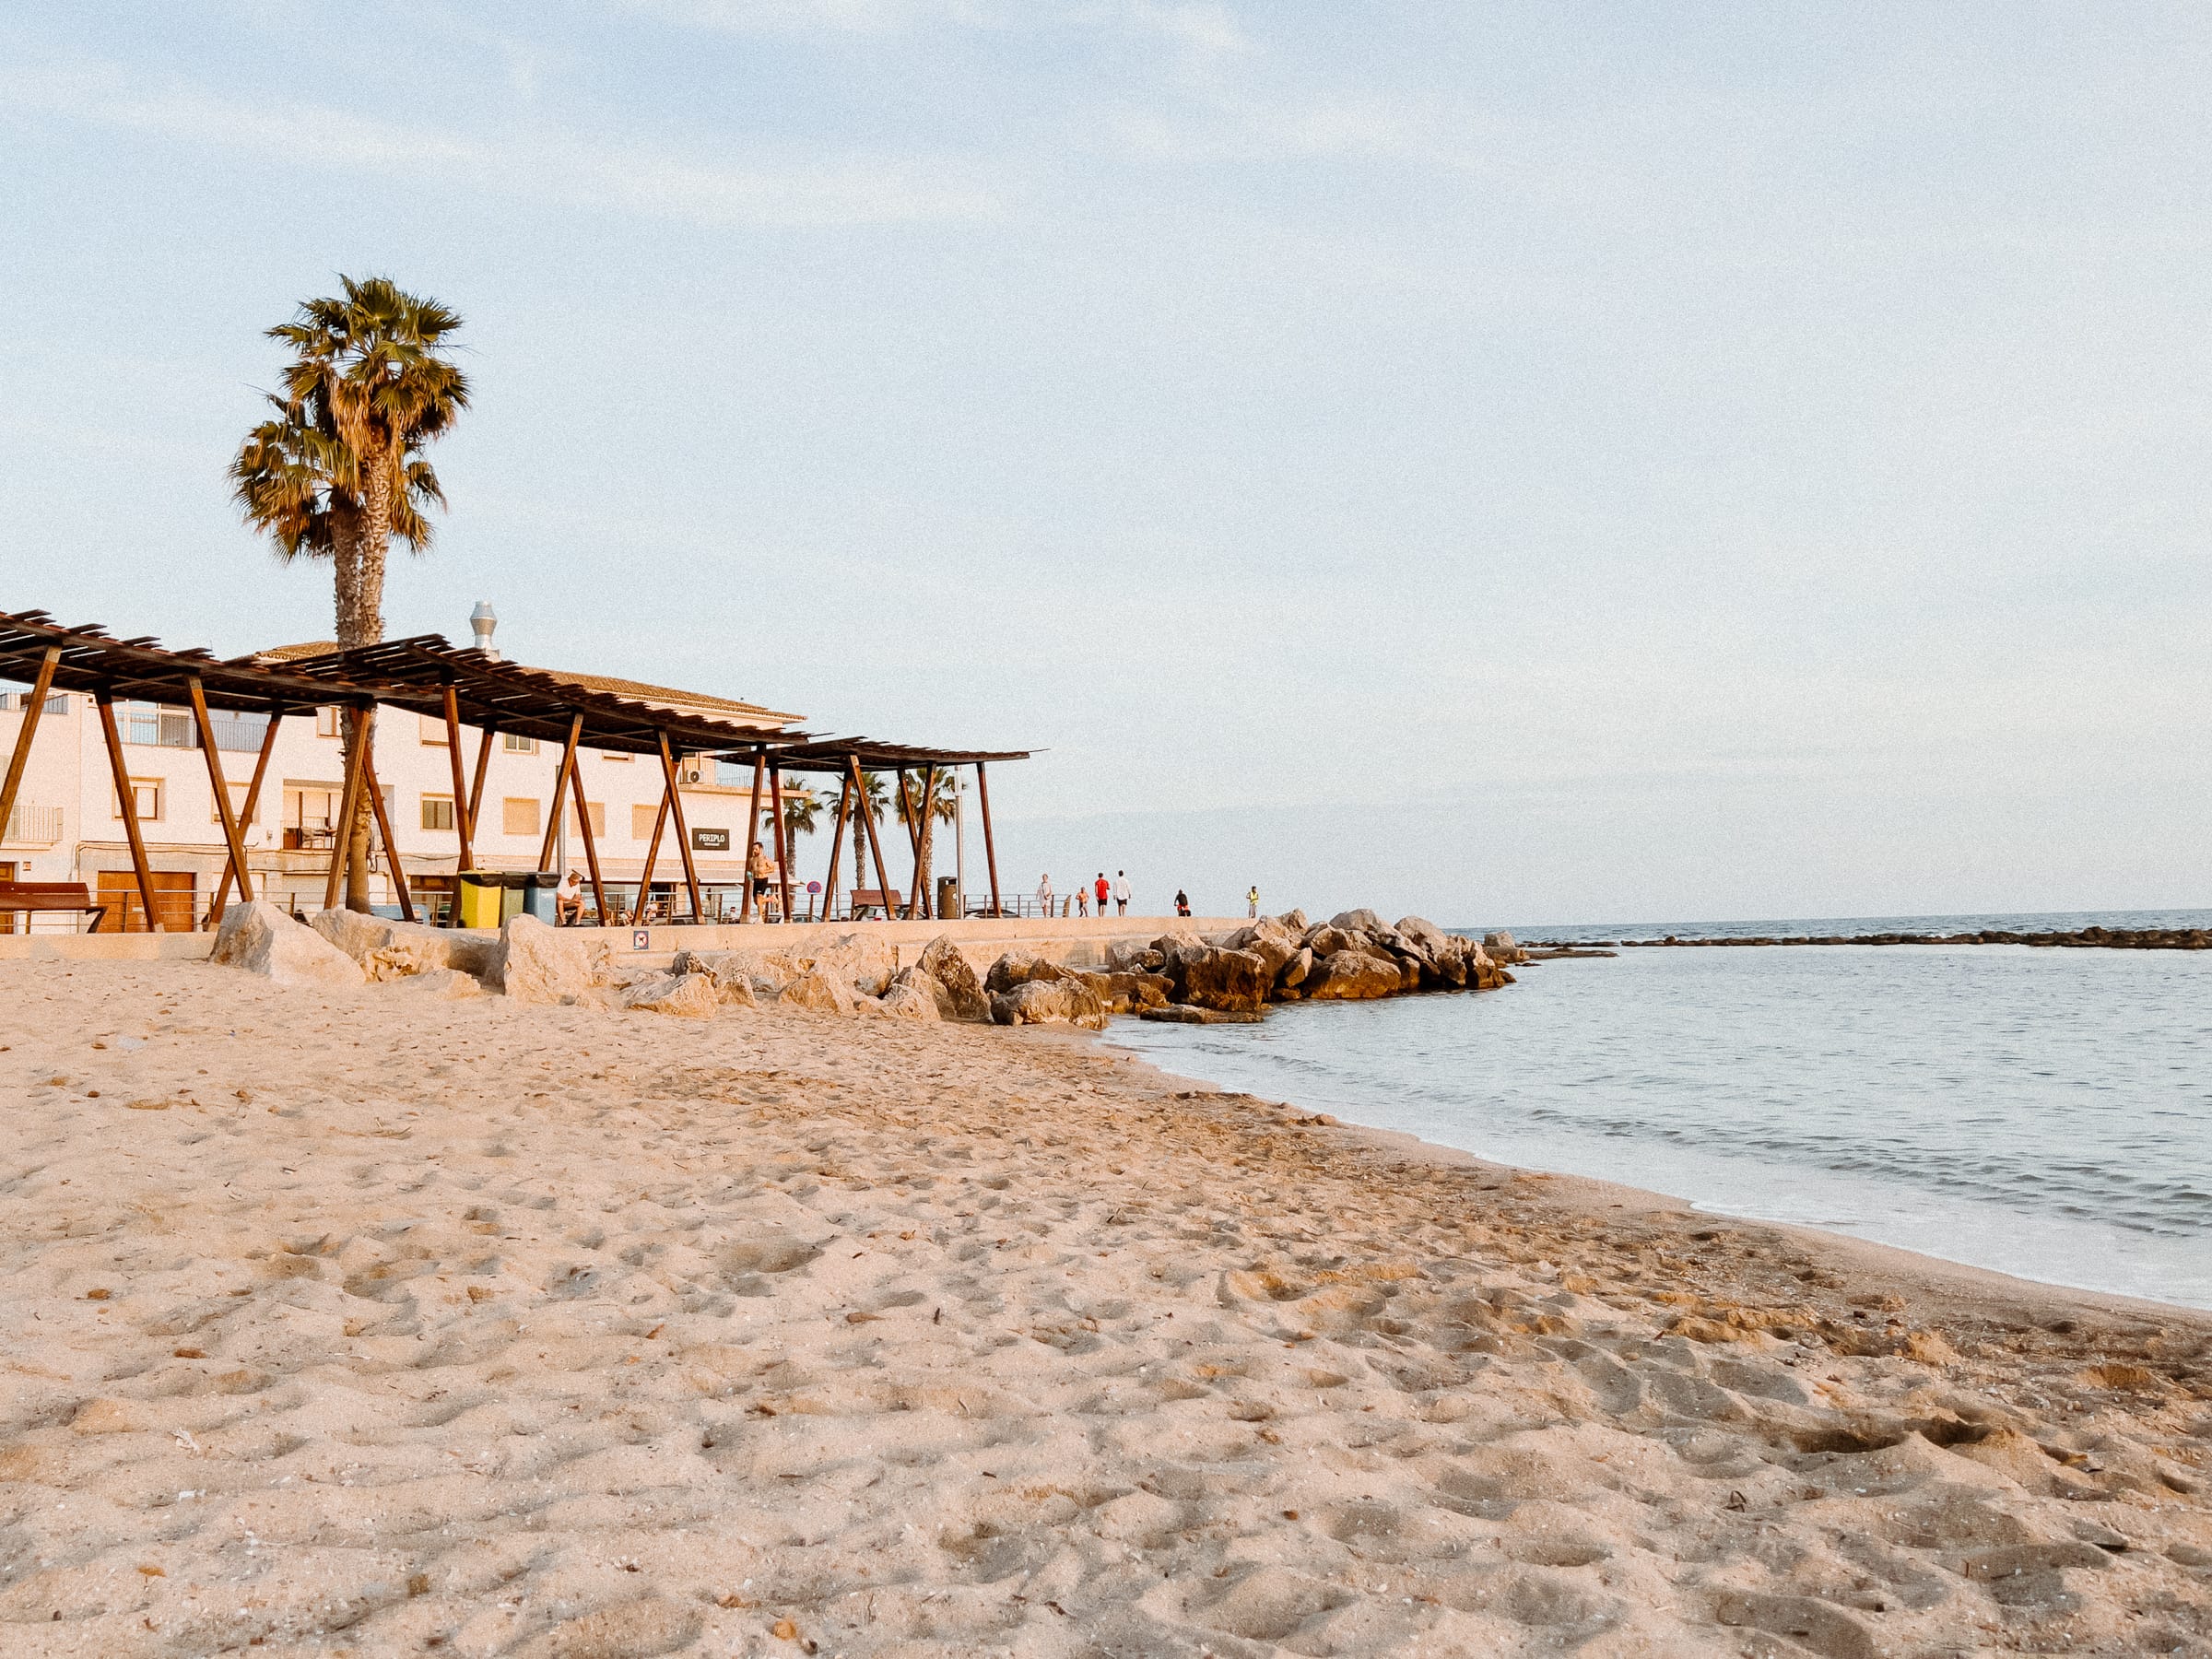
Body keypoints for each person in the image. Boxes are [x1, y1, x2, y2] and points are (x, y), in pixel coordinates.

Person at [747, 841, 773, 912]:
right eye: (753, 849)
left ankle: (760, 916)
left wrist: (765, 871)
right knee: (756, 901)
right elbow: (749, 871)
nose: (754, 851)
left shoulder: (765, 858)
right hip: (756, 880)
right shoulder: (752, 859)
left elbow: (772, 869)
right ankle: (771, 899)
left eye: (756, 849)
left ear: (761, 849)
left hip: (763, 879)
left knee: (759, 897)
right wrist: (750, 879)